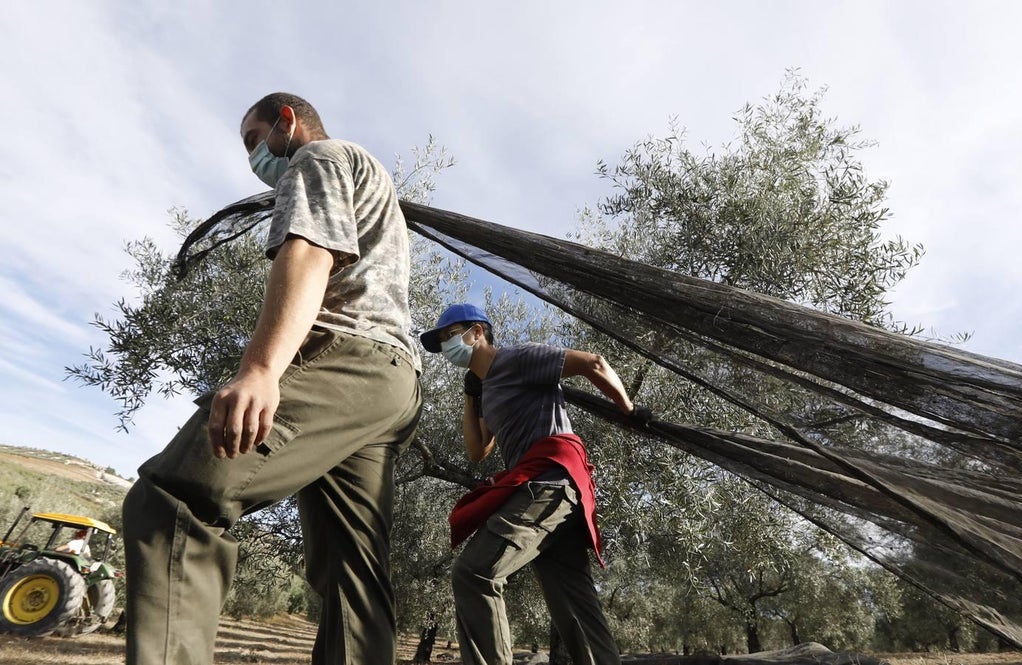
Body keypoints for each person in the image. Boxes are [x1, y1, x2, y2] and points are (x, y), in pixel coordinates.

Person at [121, 92, 422, 665]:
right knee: (352, 572)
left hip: (348, 354)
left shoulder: (320, 158)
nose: (252, 155)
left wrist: (261, 370)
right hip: (391, 381)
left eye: (252, 139)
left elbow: (310, 252)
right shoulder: (370, 174)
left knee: (175, 500)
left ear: (288, 121)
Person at [421, 303, 646, 665]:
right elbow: (478, 449)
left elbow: (593, 363)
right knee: (573, 604)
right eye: (442, 341)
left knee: (474, 573)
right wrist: (471, 395)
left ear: (478, 331)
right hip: (549, 491)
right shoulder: (488, 388)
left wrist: (629, 410)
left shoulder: (518, 358)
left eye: (451, 334)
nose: (447, 345)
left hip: (550, 482)